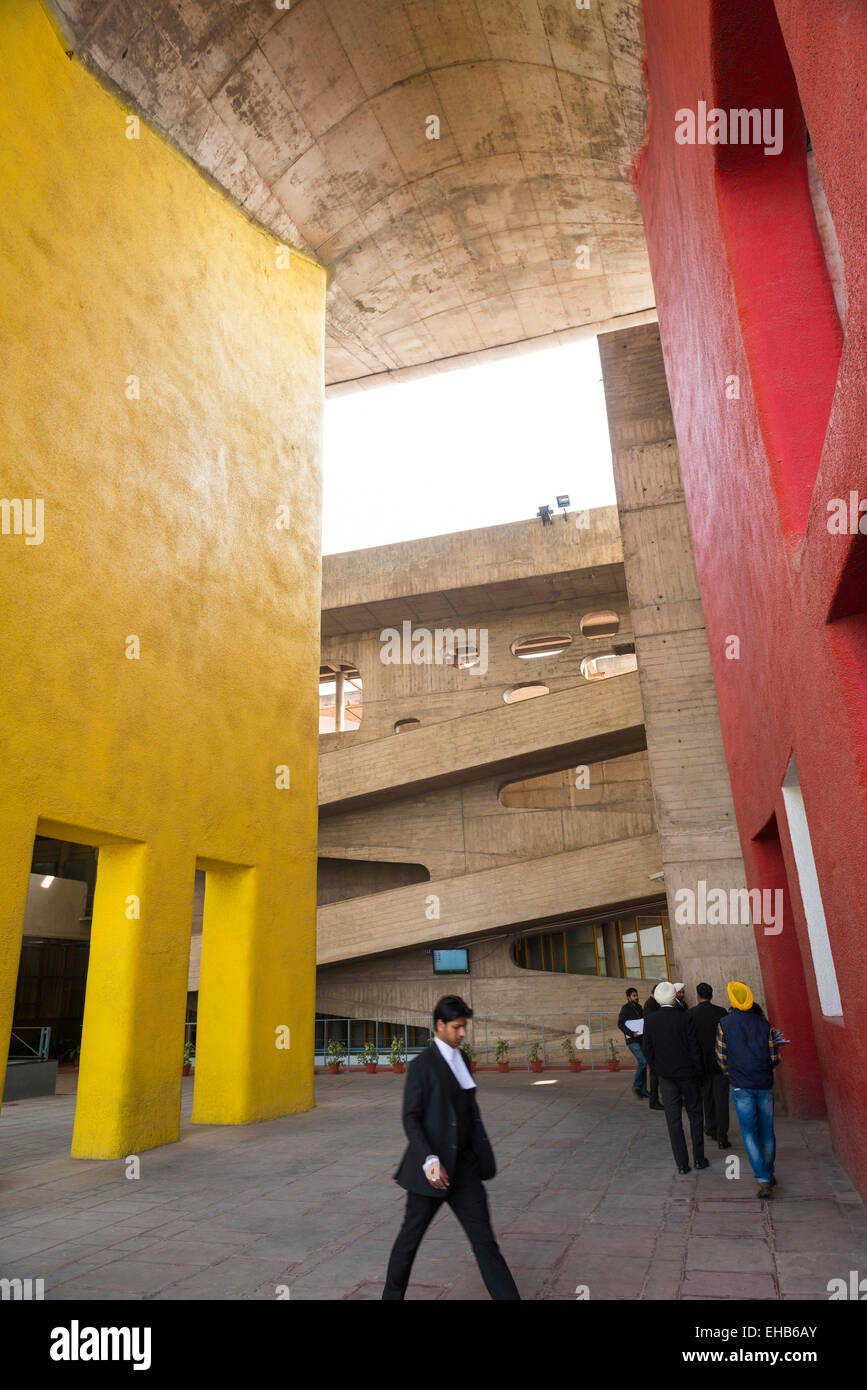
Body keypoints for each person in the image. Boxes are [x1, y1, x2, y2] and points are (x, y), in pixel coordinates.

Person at [382, 995, 520, 1300]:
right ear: (439, 1026)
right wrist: (429, 1159)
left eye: (464, 1028)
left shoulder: (464, 1059)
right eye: (457, 1028)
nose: (462, 1034)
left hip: (466, 1170)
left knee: (485, 1242)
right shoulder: (421, 1066)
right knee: (409, 1241)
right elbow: (411, 1117)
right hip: (430, 1174)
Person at [715, 981, 781, 1199]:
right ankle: (769, 1173)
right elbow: (774, 1057)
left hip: (740, 1084)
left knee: (749, 1133)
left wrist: (731, 1072)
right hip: (763, 1082)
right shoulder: (764, 1024)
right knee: (767, 1132)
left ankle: (762, 1178)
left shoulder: (725, 1023)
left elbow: (721, 1057)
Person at [642, 980, 708, 1175]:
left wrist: (658, 1069)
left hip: (666, 1077)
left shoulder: (651, 1020)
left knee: (673, 1120)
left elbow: (648, 1050)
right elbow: (694, 1048)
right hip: (688, 1075)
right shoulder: (685, 1017)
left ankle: (682, 1164)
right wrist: (698, 1071)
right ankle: (698, 1159)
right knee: (695, 1115)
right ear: (673, 998)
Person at [690, 982, 730, 1148]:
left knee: (707, 1097)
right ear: (711, 995)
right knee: (721, 1100)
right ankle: (722, 1136)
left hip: (701, 1063)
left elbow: (690, 1040)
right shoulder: (721, 1012)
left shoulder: (691, 1014)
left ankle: (710, 1127)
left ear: (698, 995)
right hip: (720, 1062)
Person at [618, 986, 649, 1099]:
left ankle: (643, 1090)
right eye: (634, 996)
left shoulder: (639, 1007)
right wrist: (631, 1033)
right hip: (632, 1040)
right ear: (628, 997)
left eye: (637, 995)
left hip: (641, 1039)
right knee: (643, 1061)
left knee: (643, 1064)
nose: (637, 997)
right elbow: (620, 1024)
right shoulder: (625, 1009)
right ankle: (636, 1086)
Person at [643, 989, 664, 1110]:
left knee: (655, 1075)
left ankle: (655, 1099)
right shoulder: (651, 1004)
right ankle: (654, 1100)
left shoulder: (651, 1003)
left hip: (652, 1044)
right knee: (654, 1075)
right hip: (653, 1045)